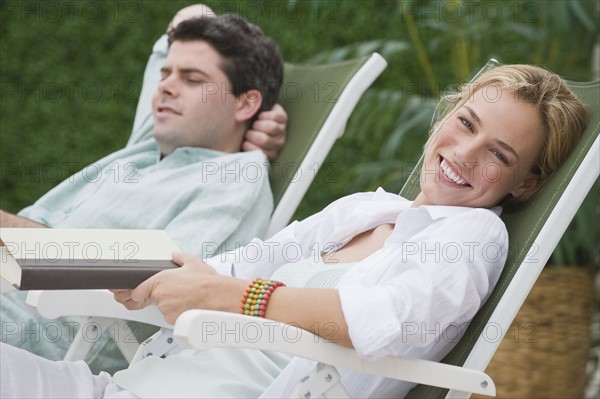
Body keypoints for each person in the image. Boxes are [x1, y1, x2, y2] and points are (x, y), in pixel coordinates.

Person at [0, 64, 587, 398]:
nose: (462, 153)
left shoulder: (474, 237)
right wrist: (55, 255)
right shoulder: (367, 209)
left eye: (498, 154)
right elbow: (237, 264)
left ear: (526, 183)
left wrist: (225, 296)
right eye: (465, 122)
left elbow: (377, 319)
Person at [0, 6, 286, 374]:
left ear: (246, 102)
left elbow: (159, 275)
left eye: (192, 79)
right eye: (165, 72)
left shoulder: (235, 178)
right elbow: (193, 12)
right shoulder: (150, 143)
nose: (166, 85)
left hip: (41, 331)